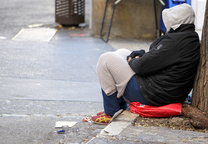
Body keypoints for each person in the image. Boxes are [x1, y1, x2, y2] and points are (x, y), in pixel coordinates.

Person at [92, 3, 200, 125]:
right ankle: (119, 107)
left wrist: (132, 60)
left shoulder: (176, 41)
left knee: (105, 59)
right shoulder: (187, 38)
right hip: (162, 92)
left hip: (151, 95)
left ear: (177, 23)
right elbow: (158, 58)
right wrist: (139, 55)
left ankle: (111, 112)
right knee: (123, 52)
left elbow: (141, 67)